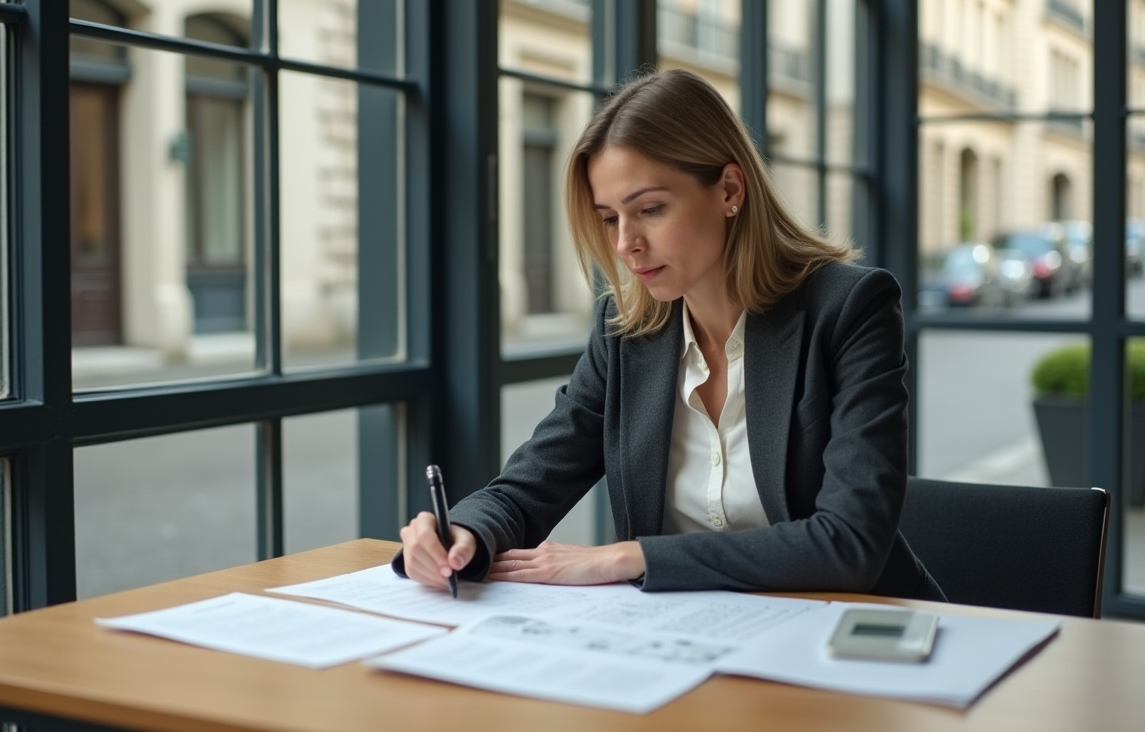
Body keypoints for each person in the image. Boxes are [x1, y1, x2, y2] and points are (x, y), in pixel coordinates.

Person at [396, 68, 945, 601]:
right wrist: (462, 533)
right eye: (609, 218)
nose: (625, 244)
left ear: (730, 189)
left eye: (650, 209)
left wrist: (631, 557)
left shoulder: (848, 309)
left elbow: (850, 543)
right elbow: (531, 483)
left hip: (855, 639)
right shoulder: (626, 332)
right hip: (699, 643)